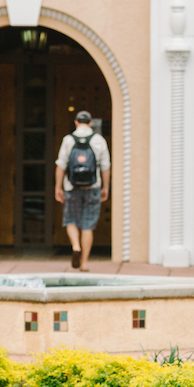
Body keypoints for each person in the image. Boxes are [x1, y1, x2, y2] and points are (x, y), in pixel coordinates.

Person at [54, 110, 111, 271]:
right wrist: (105, 187)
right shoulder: (98, 140)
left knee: (71, 219)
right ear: (91, 123)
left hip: (72, 187)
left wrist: (58, 187)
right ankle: (84, 263)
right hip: (93, 187)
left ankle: (76, 246)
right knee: (88, 225)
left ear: (76, 122)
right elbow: (106, 167)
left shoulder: (68, 140)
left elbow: (61, 165)